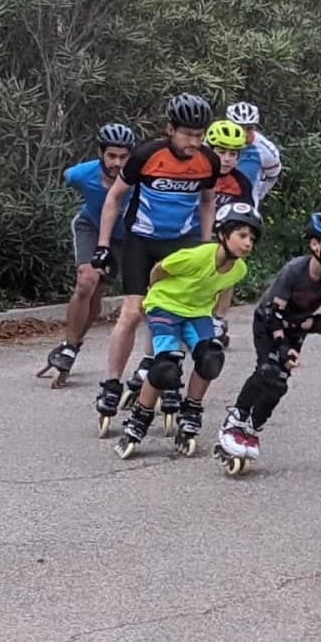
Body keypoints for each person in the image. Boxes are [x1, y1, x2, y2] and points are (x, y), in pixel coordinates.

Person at [91, 94, 220, 435]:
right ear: (170, 129)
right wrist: (103, 245)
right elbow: (114, 197)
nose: (194, 142)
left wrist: (207, 245)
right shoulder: (147, 155)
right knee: (132, 312)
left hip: (181, 244)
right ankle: (112, 383)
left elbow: (208, 201)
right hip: (142, 241)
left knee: (172, 310)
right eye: (187, 134)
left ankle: (159, 370)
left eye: (199, 135)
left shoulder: (208, 160)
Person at [114, 202, 260, 458]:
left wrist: (218, 318)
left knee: (211, 357)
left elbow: (224, 288)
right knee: (165, 366)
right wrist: (155, 297)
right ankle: (139, 419)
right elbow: (159, 270)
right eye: (242, 235)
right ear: (223, 234)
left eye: (252, 239)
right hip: (165, 306)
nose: (248, 243)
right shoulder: (197, 256)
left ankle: (191, 411)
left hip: (197, 313)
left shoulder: (240, 269)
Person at [216, 212, 321, 473]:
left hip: (294, 329)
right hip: (267, 322)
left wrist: (297, 330)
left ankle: (252, 427)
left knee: (279, 383)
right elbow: (273, 314)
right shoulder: (294, 270)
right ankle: (235, 420)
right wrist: (283, 342)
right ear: (315, 244)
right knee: (267, 369)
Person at [36, 124, 136, 388]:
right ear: (101, 153)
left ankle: (73, 344)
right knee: (86, 281)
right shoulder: (82, 174)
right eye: (111, 156)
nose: (117, 163)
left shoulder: (139, 177)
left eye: (123, 157)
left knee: (98, 292)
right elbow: (66, 175)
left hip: (125, 238)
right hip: (90, 227)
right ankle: (69, 347)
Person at [203, 119, 256, 348]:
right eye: (221, 152)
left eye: (233, 154)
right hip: (194, 232)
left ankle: (218, 319)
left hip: (224, 235)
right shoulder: (198, 174)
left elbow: (245, 217)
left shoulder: (241, 182)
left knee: (229, 267)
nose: (227, 159)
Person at [225, 101, 283, 207]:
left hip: (246, 207)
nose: (244, 133)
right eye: (239, 128)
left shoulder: (266, 150)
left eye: (249, 128)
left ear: (255, 127)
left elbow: (273, 176)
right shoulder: (213, 143)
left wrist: (259, 195)